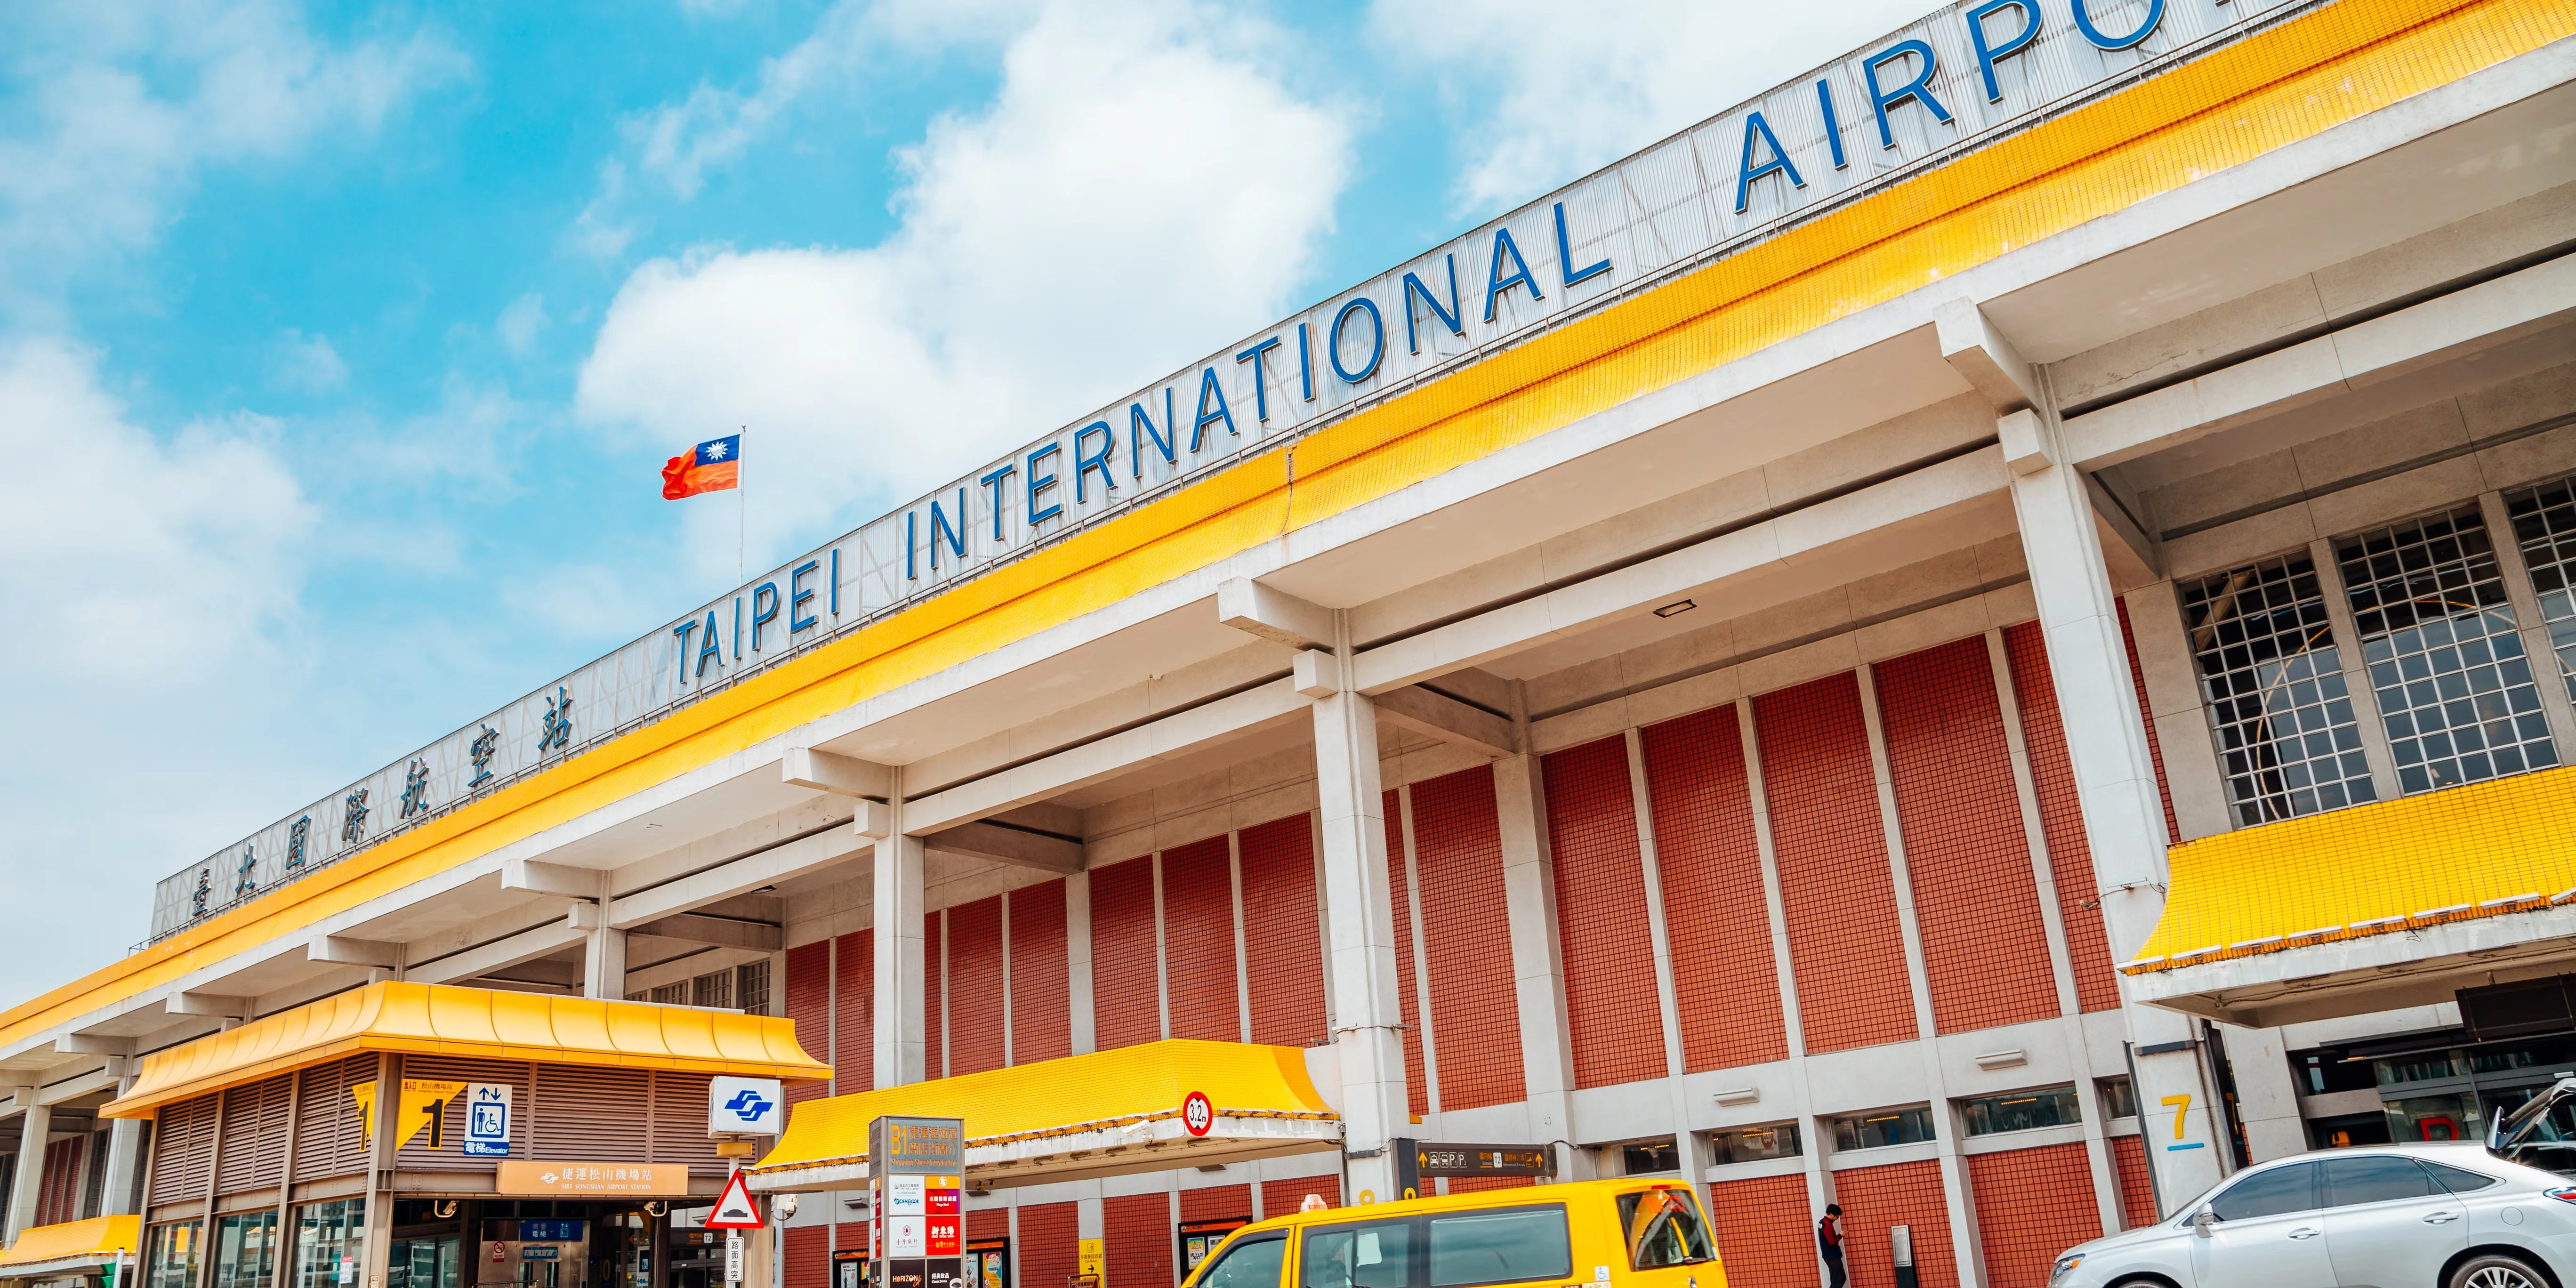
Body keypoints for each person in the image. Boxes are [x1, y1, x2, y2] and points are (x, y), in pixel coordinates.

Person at [1817, 1203, 1846, 1288]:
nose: (1837, 1219)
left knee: (1841, 1279)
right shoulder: (1828, 1225)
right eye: (1837, 1217)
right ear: (1831, 1215)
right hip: (1833, 1257)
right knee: (1837, 1282)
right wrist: (1841, 1236)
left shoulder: (1822, 1222)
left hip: (1828, 1256)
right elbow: (1832, 1242)